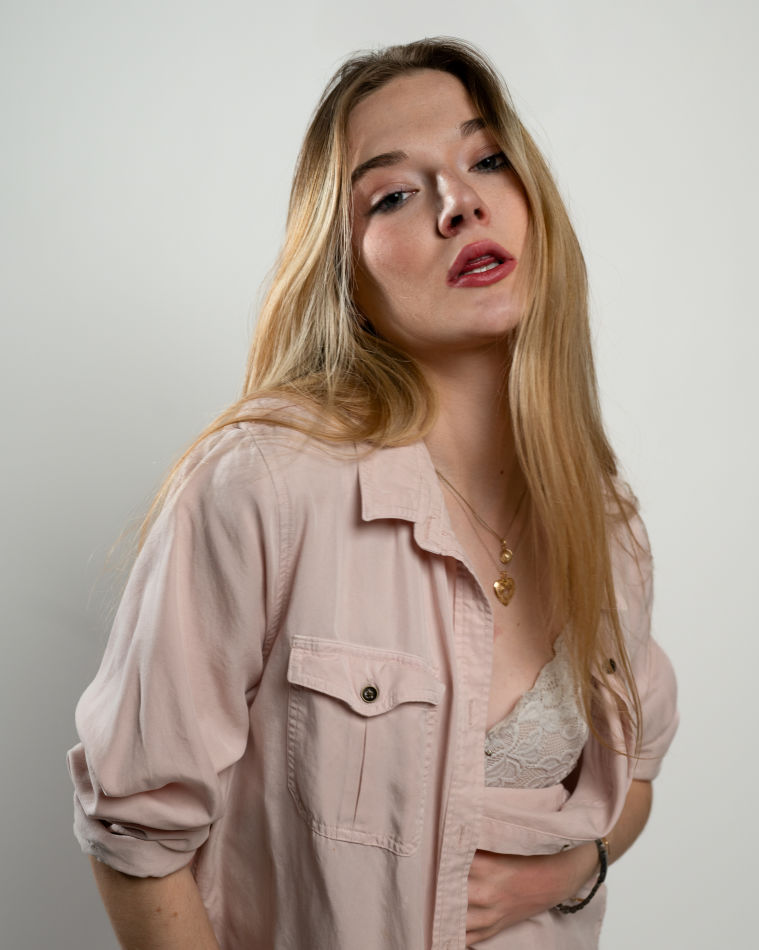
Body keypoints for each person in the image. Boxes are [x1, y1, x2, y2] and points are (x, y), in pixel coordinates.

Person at [67, 37, 678, 950]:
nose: (458, 202)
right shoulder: (266, 483)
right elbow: (137, 831)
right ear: (344, 272)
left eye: (486, 160)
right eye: (392, 194)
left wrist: (566, 872)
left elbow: (635, 774)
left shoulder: (603, 519)